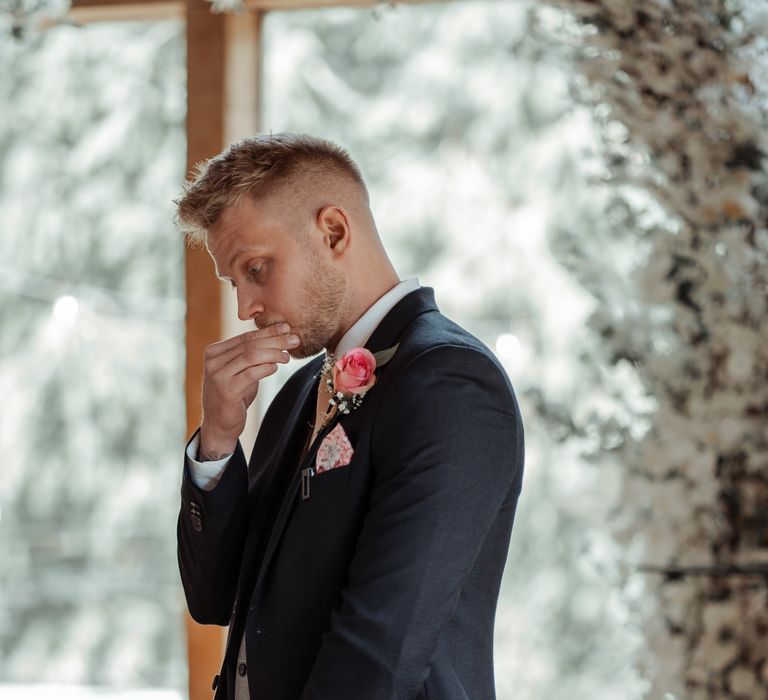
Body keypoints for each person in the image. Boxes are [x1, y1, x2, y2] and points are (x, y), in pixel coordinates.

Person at [174, 132, 525, 700]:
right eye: (234, 282)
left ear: (334, 232)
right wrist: (216, 442)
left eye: (257, 269)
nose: (246, 307)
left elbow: (378, 650)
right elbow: (216, 600)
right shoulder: (295, 396)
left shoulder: (452, 383)